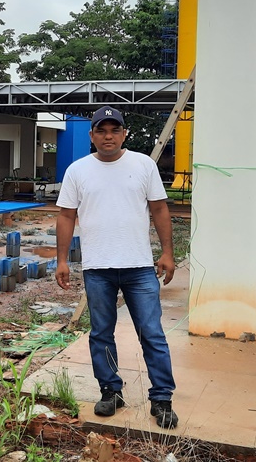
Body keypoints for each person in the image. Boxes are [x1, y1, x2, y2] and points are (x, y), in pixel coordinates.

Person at [55, 105, 178, 428]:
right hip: (98, 268)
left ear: (124, 134)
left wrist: (167, 253)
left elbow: (160, 210)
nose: (108, 137)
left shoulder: (143, 165)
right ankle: (111, 391)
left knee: (152, 333)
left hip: (139, 266)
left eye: (114, 130)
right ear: (92, 135)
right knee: (101, 334)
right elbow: (66, 216)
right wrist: (62, 259)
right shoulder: (77, 171)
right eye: (101, 131)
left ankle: (162, 398)